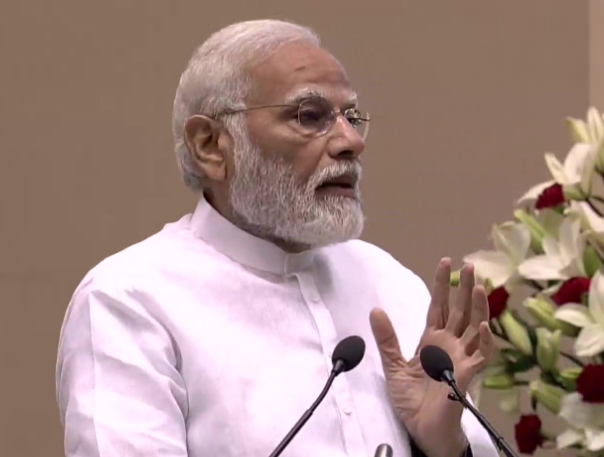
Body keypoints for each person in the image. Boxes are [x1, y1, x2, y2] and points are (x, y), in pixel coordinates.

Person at [56, 19, 498, 457]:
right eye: (310, 116)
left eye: (352, 117)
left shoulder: (390, 282)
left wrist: (442, 445)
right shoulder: (130, 300)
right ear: (210, 145)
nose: (350, 142)